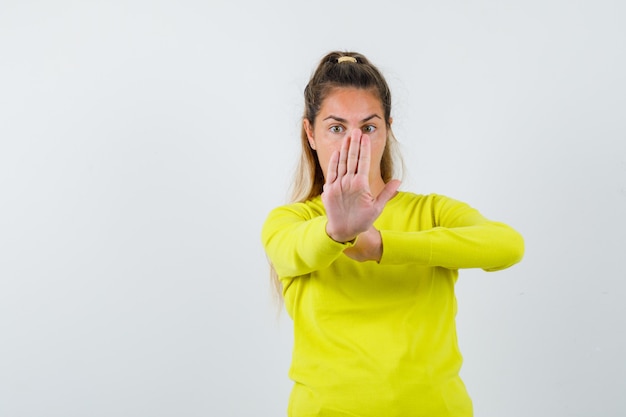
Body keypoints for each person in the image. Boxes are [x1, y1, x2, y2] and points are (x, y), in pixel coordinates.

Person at [261, 51, 524, 417]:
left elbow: (508, 246)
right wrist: (336, 232)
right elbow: (291, 251)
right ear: (311, 134)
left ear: (387, 130)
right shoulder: (290, 220)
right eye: (337, 128)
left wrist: (384, 245)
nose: (354, 144)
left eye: (368, 128)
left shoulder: (431, 212)